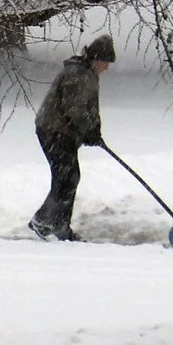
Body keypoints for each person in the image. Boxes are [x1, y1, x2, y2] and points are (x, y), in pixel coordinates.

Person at [29, 34, 115, 242]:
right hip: (54, 131)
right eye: (105, 62)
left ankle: (54, 223)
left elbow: (89, 109)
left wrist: (95, 131)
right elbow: (75, 108)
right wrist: (89, 131)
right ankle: (47, 221)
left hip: (62, 132)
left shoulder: (86, 73)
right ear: (96, 59)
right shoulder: (78, 74)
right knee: (67, 178)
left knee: (67, 178)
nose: (107, 68)